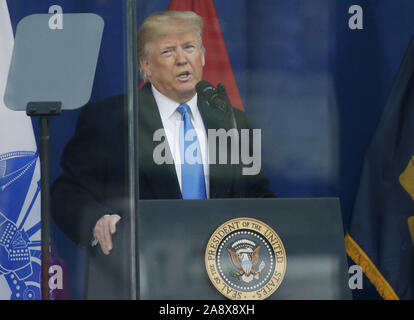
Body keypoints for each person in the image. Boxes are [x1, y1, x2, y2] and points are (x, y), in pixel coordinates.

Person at [51, 11, 273, 259]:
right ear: (146, 65)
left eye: (189, 47)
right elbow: (67, 192)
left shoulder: (233, 121)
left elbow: (258, 197)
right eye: (168, 51)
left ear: (202, 56)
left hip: (222, 270)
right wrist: (96, 221)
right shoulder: (111, 120)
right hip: (143, 269)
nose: (181, 59)